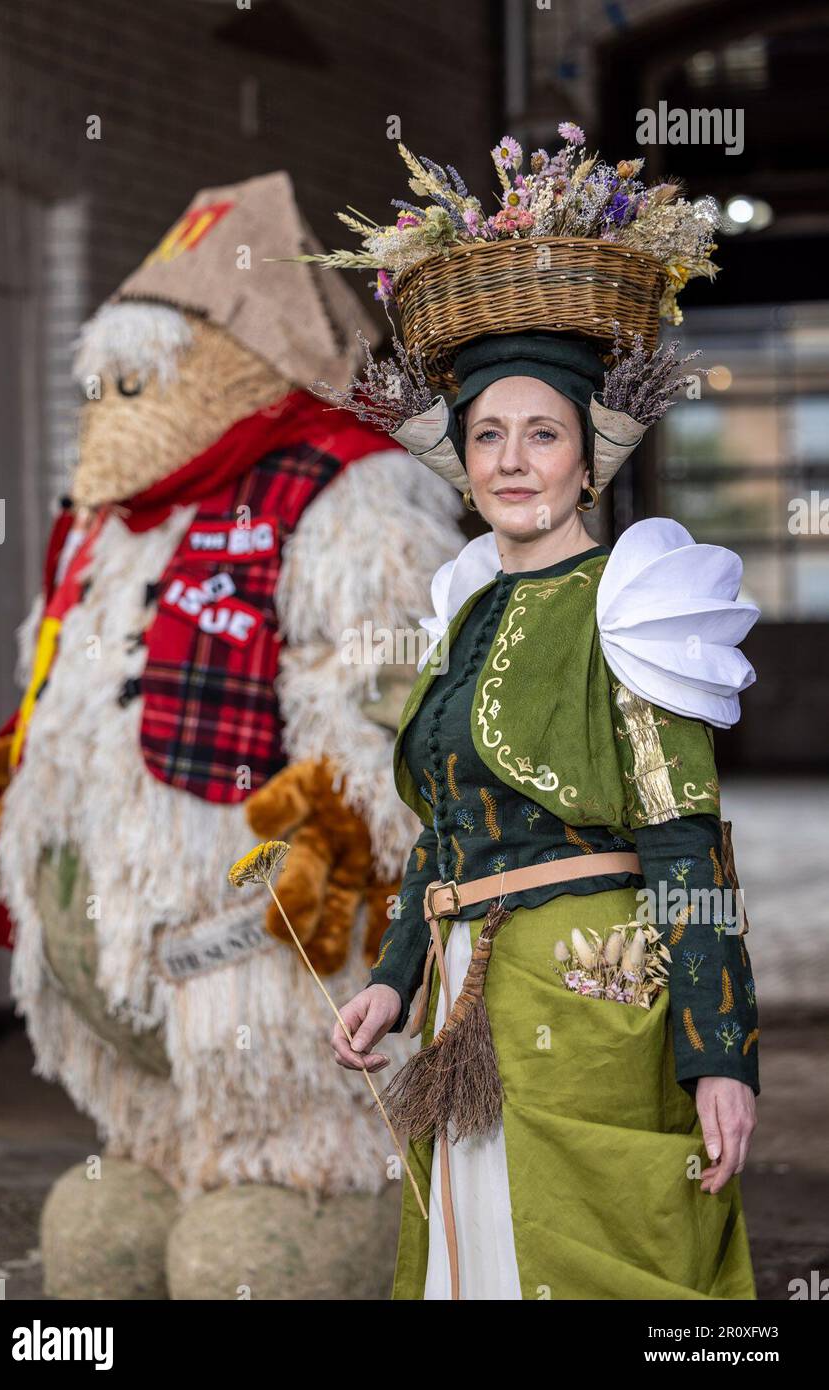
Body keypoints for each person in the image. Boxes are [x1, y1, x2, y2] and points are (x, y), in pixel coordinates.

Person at [308, 126, 761, 1299]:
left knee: (596, 1269)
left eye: (542, 434)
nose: (513, 461)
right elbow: (441, 835)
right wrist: (395, 977)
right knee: (483, 1271)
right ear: (462, 457)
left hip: (591, 998)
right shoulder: (462, 609)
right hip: (464, 995)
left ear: (582, 461)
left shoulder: (634, 600)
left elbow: (685, 841)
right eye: (488, 436)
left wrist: (721, 1056)